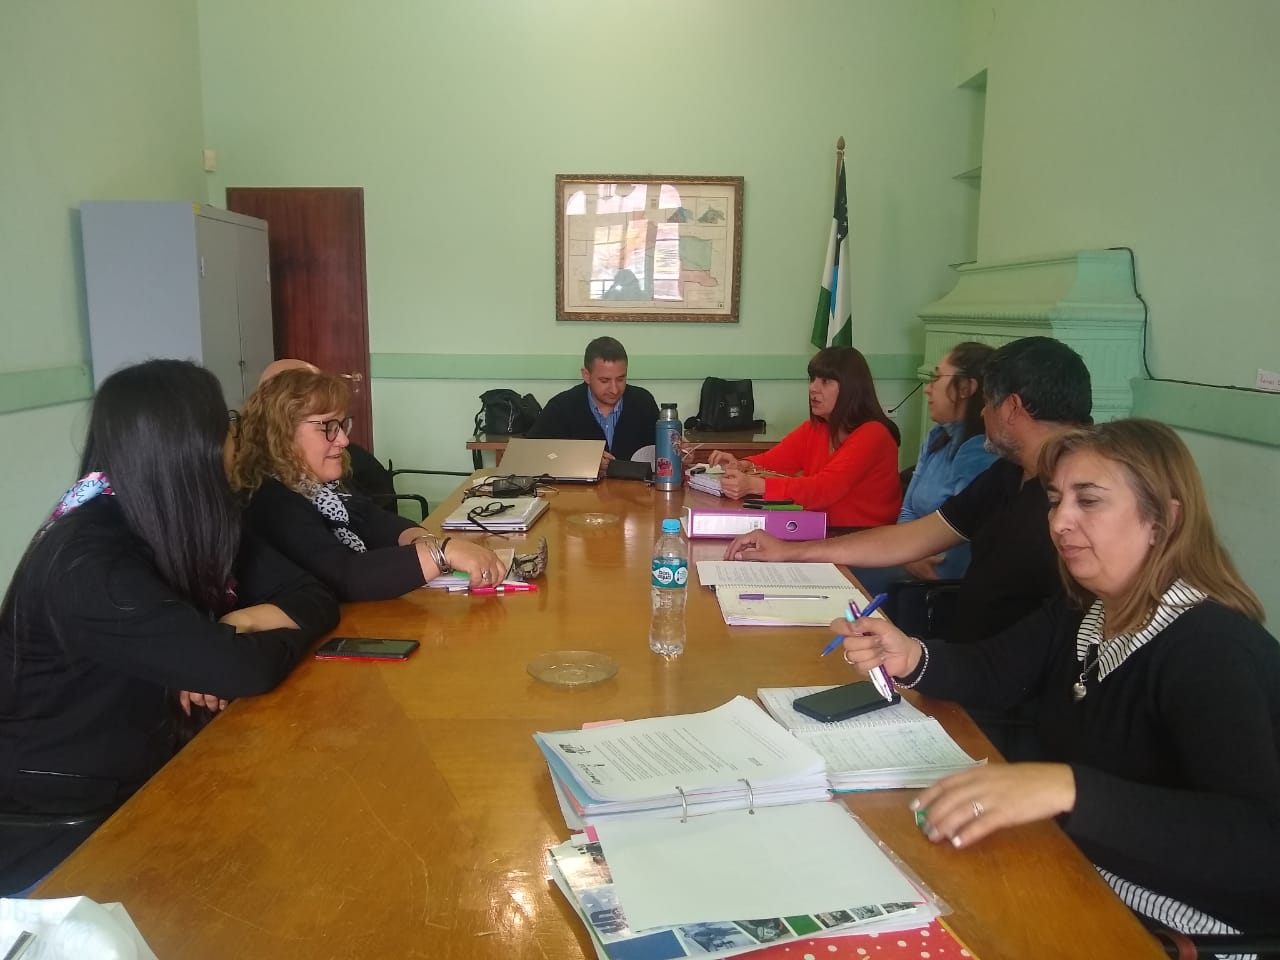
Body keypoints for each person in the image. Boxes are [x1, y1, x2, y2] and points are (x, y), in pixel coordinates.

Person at [834, 419, 1280, 938]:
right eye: (1055, 500)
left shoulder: (1209, 649)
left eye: (1088, 501)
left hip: (1179, 923)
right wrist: (909, 655)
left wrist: (1070, 789)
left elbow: (1257, 842)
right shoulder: (1084, 612)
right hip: (1077, 865)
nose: (1060, 521)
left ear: (1163, 519)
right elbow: (994, 669)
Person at [0, 360, 339, 894]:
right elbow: (241, 669)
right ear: (189, 448)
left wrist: (236, 624)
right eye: (226, 428)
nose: (235, 441)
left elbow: (315, 596)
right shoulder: (88, 562)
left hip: (159, 771)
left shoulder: (186, 515)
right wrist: (222, 653)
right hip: (70, 830)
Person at [725, 336, 1093, 645]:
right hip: (962, 655)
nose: (983, 415)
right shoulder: (1008, 473)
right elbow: (915, 537)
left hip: (992, 677)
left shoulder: (1079, 494)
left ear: (1011, 408)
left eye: (989, 404)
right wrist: (791, 552)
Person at [233, 368, 506, 601]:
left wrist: (425, 540)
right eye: (327, 427)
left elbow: (372, 520)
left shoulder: (316, 490)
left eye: (341, 425)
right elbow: (346, 576)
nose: (342, 440)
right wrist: (442, 553)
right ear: (281, 434)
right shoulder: (270, 502)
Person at [851, 342, 996, 593]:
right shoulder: (936, 437)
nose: (927, 389)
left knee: (843, 575)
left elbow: (959, 537)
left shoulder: (980, 452)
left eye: (937, 377)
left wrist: (906, 552)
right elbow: (907, 509)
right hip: (908, 558)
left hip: (941, 577)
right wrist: (905, 552)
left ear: (966, 387)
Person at [707, 346, 902, 529]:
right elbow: (772, 462)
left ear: (851, 389)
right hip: (823, 532)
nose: (813, 388)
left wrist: (755, 485)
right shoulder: (817, 428)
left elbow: (824, 489)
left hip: (863, 541)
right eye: (812, 379)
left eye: (825, 381)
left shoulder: (873, 434)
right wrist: (740, 465)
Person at [524, 336, 660, 467]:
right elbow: (532, 454)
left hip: (635, 489)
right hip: (579, 490)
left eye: (620, 379)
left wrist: (677, 448)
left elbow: (661, 452)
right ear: (586, 375)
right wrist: (584, 458)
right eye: (604, 381)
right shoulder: (562, 406)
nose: (614, 389)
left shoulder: (643, 402)